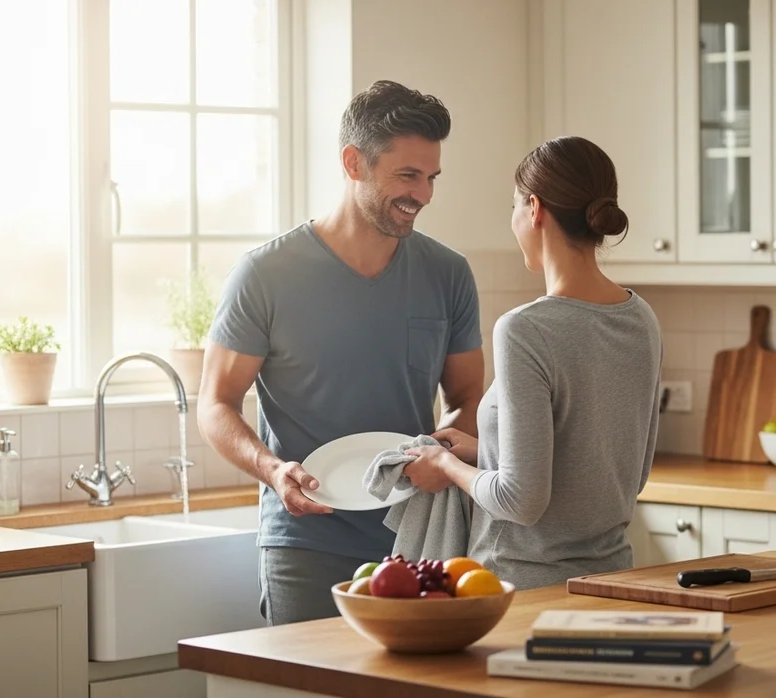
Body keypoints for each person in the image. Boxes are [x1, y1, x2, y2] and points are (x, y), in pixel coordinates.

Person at [198, 80, 485, 624]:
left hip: (417, 536)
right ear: (354, 163)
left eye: (430, 177)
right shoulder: (265, 275)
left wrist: (442, 456)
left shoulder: (448, 273)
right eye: (407, 175)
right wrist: (271, 468)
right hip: (306, 539)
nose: (422, 194)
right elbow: (215, 402)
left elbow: (468, 396)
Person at [402, 136, 664, 591]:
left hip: (521, 589)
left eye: (514, 207)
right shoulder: (641, 318)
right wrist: (483, 451)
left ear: (535, 209)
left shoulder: (525, 328)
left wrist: (445, 468)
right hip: (612, 582)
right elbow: (624, 474)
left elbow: (519, 501)